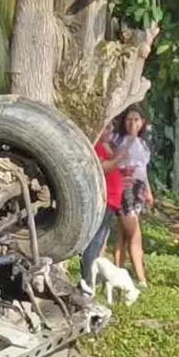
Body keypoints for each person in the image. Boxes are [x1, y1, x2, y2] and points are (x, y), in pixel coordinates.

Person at [79, 120, 124, 295]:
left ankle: (91, 280)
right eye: (106, 127)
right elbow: (100, 168)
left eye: (111, 126)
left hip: (112, 201)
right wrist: (120, 158)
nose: (110, 130)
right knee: (94, 242)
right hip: (103, 201)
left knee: (99, 243)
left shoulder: (108, 147)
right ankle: (87, 281)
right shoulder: (96, 146)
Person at [111, 104, 153, 288]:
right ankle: (141, 278)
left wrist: (148, 192)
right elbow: (118, 160)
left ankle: (118, 271)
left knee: (123, 234)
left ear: (143, 122)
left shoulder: (143, 144)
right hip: (124, 188)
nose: (132, 123)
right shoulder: (118, 140)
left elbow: (143, 170)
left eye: (136, 120)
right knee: (134, 233)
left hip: (138, 188)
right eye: (129, 119)